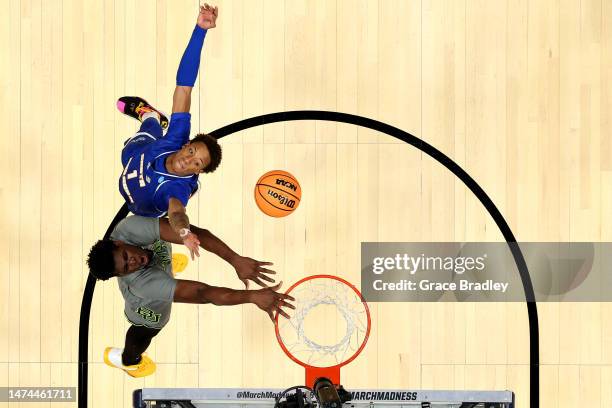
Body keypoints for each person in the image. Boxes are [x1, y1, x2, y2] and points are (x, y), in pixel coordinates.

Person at [87, 215, 294, 378]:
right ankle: (128, 361)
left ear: (118, 243)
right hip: (147, 308)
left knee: (171, 239)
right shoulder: (143, 286)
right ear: (120, 275)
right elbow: (203, 293)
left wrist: (235, 259)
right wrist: (252, 296)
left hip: (155, 275)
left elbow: (195, 234)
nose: (132, 262)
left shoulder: (129, 228)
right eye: (126, 268)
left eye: (126, 256)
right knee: (144, 333)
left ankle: (164, 270)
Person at [115, 4, 221, 260]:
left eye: (197, 163)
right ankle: (150, 115)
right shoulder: (177, 136)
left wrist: (184, 231)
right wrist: (200, 31)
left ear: (197, 171)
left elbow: (176, 213)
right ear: (186, 144)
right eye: (193, 150)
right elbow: (185, 86)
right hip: (135, 155)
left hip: (140, 206)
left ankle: (153, 118)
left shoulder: (177, 189)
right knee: (147, 129)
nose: (189, 159)